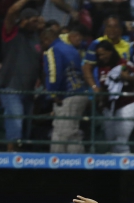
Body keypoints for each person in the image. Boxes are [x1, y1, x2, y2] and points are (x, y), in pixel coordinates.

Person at [0, 0, 42, 152]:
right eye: (33, 20)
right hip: (12, 87)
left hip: (28, 90)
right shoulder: (13, 32)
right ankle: (10, 161)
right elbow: (11, 12)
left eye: (38, 20)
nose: (37, 23)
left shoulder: (36, 37)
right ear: (23, 21)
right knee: (15, 125)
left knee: (24, 130)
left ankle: (19, 166)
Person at [41, 26, 88, 154]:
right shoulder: (70, 48)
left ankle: (57, 166)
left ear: (46, 40)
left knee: (62, 133)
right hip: (80, 92)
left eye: (42, 42)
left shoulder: (53, 49)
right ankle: (75, 165)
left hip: (68, 94)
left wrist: (53, 93)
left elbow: (54, 73)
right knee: (72, 134)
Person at [93, 40, 134, 154]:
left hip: (127, 103)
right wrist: (100, 101)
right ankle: (113, 169)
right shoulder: (101, 67)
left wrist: (127, 77)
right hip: (109, 106)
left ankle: (129, 168)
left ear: (110, 52)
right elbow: (104, 87)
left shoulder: (124, 64)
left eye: (103, 54)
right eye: (99, 55)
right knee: (111, 140)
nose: (101, 57)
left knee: (121, 141)